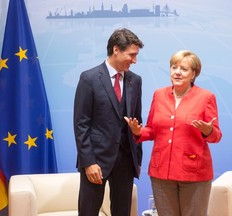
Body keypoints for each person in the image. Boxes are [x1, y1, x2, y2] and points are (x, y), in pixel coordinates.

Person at [125, 50, 222, 216]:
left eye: (183, 69)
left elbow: (216, 136)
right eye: (174, 67)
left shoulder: (206, 97)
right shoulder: (159, 95)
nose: (177, 72)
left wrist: (208, 131)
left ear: (193, 74)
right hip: (161, 173)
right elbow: (152, 130)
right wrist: (138, 131)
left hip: (194, 175)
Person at [73, 28, 144, 216]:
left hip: (126, 161)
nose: (135, 61)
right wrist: (88, 162)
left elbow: (137, 122)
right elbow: (81, 124)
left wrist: (137, 158)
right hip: (95, 162)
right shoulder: (89, 78)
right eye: (132, 55)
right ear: (116, 50)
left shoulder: (135, 81)